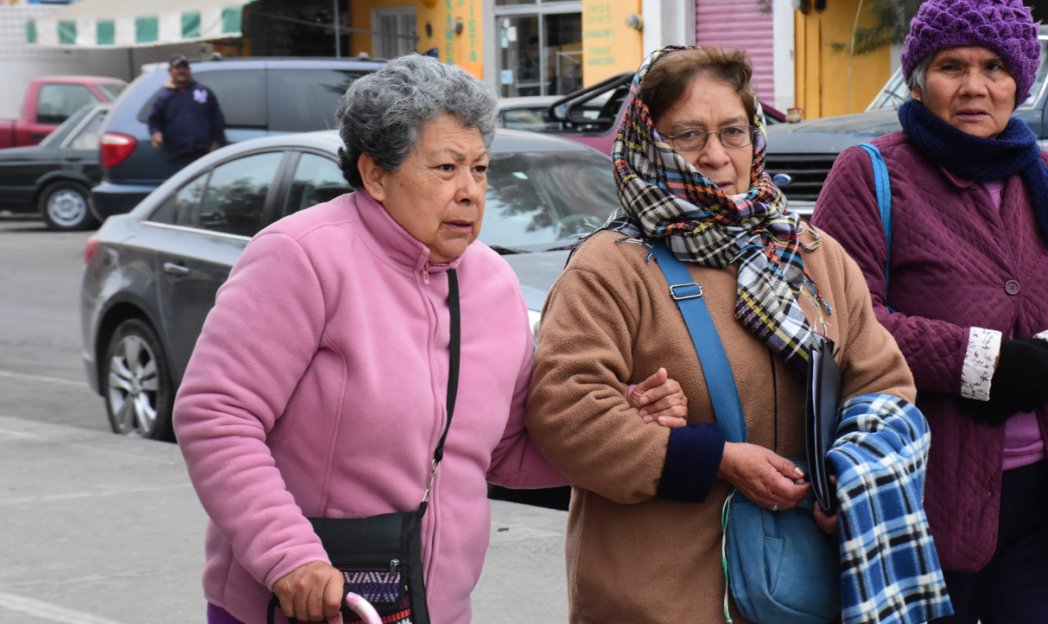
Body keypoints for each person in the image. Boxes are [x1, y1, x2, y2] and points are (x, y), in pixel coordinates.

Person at [172, 55, 687, 624]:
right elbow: (216, 416)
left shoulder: (492, 282)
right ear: (375, 175)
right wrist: (288, 556)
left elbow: (507, 452)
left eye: (481, 169)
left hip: (433, 609)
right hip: (299, 603)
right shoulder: (302, 257)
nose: (469, 191)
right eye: (446, 168)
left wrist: (618, 423)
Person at [525, 46, 940, 622]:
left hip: (803, 592)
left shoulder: (813, 254)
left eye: (733, 132)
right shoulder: (609, 268)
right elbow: (565, 413)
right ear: (648, 143)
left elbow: (884, 384)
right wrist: (713, 458)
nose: (717, 155)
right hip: (658, 597)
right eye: (688, 136)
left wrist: (851, 478)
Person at [810, 0, 1048, 622]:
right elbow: (844, 318)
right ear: (920, 80)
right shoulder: (870, 174)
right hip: (919, 501)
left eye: (994, 67)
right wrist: (987, 364)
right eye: (951, 65)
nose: (975, 86)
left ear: (1020, 80)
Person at [148, 54, 227, 171]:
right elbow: (154, 121)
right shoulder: (163, 97)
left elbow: (217, 119)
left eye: (184, 67)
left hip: (204, 154)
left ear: (189, 70)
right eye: (177, 68)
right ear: (170, 71)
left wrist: (217, 143)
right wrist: (156, 133)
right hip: (177, 157)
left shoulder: (203, 92)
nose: (181, 71)